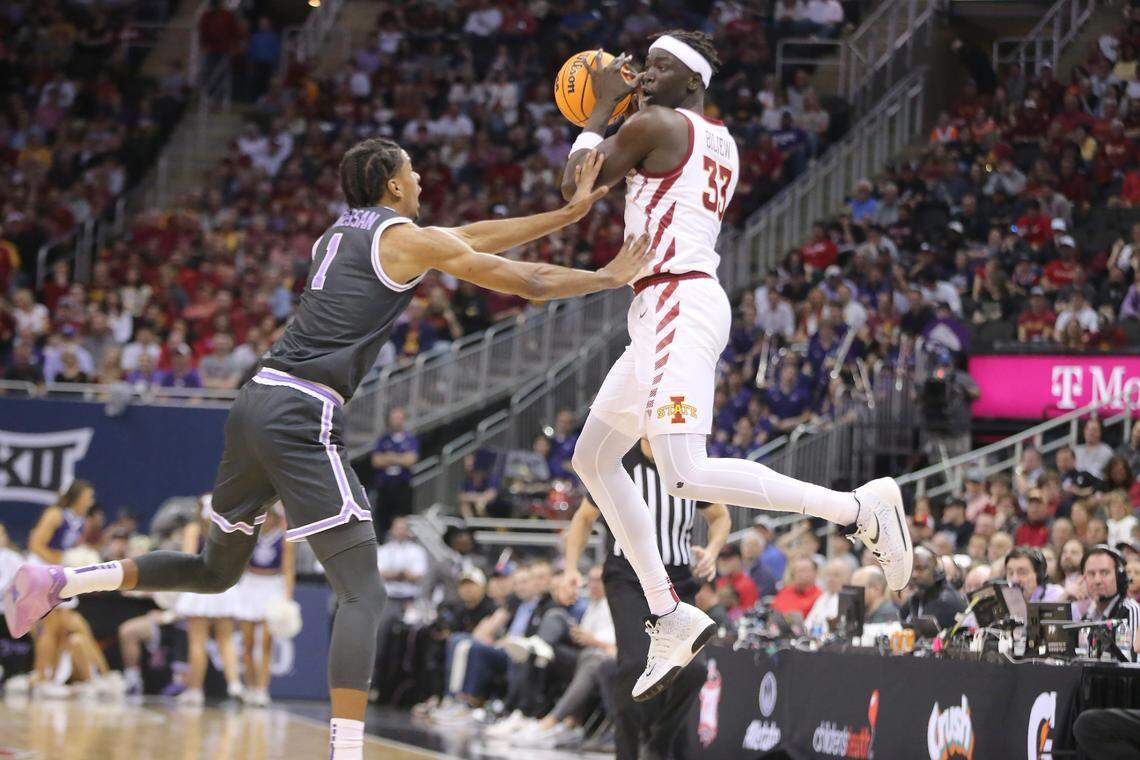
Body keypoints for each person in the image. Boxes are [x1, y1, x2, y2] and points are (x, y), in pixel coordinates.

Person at [6, 138, 652, 759]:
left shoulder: (339, 233)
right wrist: (607, 275)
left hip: (254, 401)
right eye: (415, 172)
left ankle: (63, 579)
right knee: (364, 595)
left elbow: (472, 236)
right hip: (300, 410)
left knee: (214, 571)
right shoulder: (400, 238)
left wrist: (568, 213)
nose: (423, 181)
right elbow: (527, 283)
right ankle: (346, 753)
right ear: (394, 184)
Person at [559, 28, 911, 703]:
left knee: (683, 471)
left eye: (660, 67)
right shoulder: (708, 136)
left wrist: (599, 108)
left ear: (691, 82)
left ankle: (858, 508)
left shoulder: (657, 122)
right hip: (664, 304)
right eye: (646, 66)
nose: (645, 75)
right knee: (595, 458)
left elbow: (575, 189)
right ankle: (669, 612)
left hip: (676, 301)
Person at [563, 436, 729, 760]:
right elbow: (583, 518)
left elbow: (720, 516)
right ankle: (626, 752)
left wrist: (712, 550)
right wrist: (570, 567)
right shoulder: (619, 462)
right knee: (637, 664)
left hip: (679, 578)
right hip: (628, 577)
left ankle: (659, 742)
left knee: (693, 672)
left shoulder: (689, 464)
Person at [171, 498, 245, 704]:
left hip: (199, 587)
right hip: (223, 586)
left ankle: (195, 691)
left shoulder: (193, 529)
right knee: (226, 640)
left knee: (197, 642)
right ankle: (235, 685)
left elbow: (187, 559)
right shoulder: (229, 529)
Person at [234, 504, 294, 707]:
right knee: (248, 643)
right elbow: (239, 563)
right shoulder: (250, 534)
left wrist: (287, 597)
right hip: (250, 584)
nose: (267, 519)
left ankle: (262, 689)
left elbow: (288, 569)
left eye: (271, 516)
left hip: (272, 587)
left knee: (266, 643)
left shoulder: (284, 538)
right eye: (264, 516)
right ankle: (250, 687)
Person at [1072, 545, 1140, 657]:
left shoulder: (1130, 610)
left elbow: (1131, 666)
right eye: (1091, 574)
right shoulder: (1087, 617)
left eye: (1104, 573)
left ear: (1119, 577)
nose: (1097, 580)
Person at [371, 407, 420, 540]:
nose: (396, 421)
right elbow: (376, 461)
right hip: (385, 486)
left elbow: (410, 460)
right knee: (382, 519)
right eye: (394, 418)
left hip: (402, 485)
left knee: (402, 518)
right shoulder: (383, 439)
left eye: (399, 418)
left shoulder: (410, 439)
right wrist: (399, 458)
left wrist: (389, 457)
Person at [899, 547, 966, 630]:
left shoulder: (946, 601)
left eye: (920, 569)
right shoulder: (917, 597)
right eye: (911, 569)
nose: (914, 575)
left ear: (936, 569)